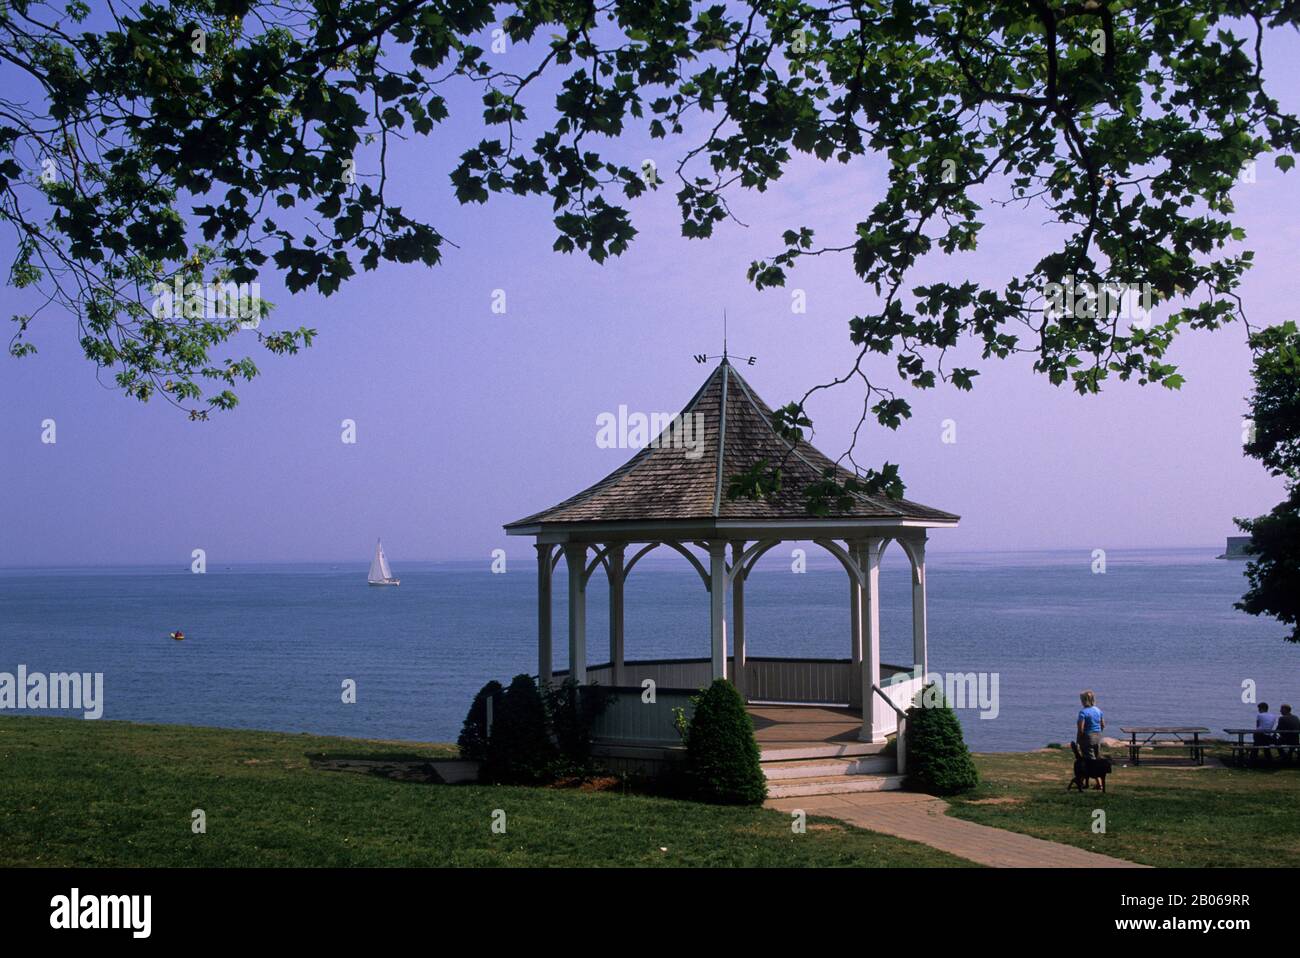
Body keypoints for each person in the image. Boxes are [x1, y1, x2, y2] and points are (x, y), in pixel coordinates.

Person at [1077, 690, 1104, 760]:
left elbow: (1081, 729)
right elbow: (1103, 725)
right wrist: (1098, 732)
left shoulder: (1083, 712)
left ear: (1084, 701)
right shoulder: (1098, 710)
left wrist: (1079, 740)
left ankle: (1090, 770)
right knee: (1097, 756)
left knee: (1089, 758)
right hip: (1098, 736)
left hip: (1088, 737)